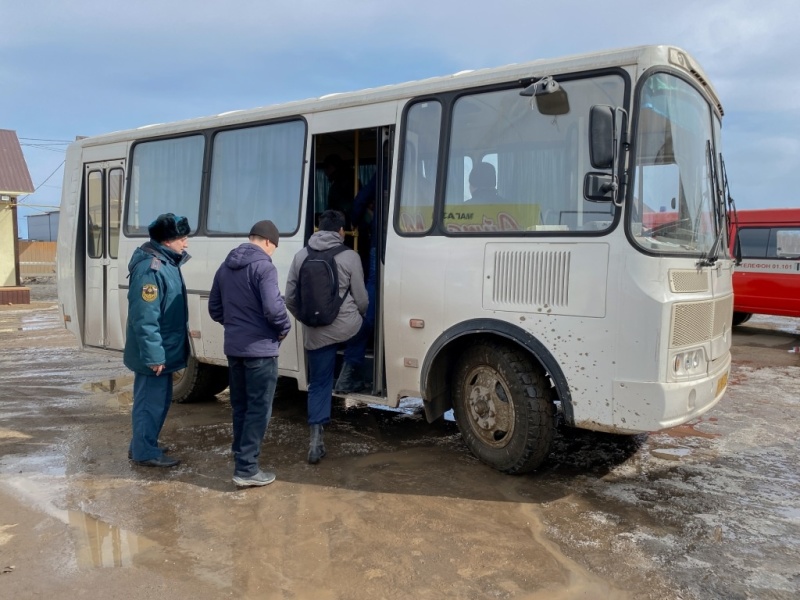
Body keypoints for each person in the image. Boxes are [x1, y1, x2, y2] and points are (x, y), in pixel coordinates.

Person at [208, 220, 291, 487]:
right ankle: (246, 469)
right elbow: (274, 308)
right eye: (274, 247)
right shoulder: (264, 267)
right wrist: (283, 328)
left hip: (234, 349)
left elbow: (214, 308)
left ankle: (240, 455)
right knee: (258, 409)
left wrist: (235, 327)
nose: (273, 252)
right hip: (260, 351)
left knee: (240, 406)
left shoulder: (225, 267)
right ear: (268, 242)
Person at [285, 210, 368, 464]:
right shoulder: (350, 256)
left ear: (318, 229)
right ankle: (348, 375)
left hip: (315, 332)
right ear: (341, 231)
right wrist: (359, 316)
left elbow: (289, 298)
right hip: (346, 327)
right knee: (364, 328)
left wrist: (308, 319)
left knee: (319, 383)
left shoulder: (301, 256)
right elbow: (362, 299)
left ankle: (315, 442)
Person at [123, 213, 191, 468]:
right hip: (156, 354)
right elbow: (145, 317)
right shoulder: (151, 269)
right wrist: (154, 356)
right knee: (149, 404)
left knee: (157, 402)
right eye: (182, 239)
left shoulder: (166, 263)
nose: (186, 244)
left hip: (164, 349)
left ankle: (144, 444)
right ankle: (144, 452)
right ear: (168, 240)